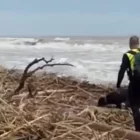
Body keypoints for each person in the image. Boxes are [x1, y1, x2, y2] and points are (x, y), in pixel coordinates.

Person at [116, 35, 140, 131]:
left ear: (130, 44)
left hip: (134, 84)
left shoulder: (127, 55)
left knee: (135, 106)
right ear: (138, 42)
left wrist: (118, 85)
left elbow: (122, 71)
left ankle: (138, 130)